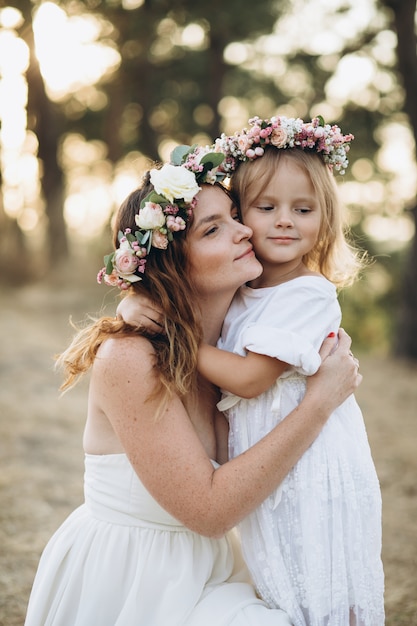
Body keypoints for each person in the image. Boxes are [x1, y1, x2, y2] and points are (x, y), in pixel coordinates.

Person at [24, 144, 362, 626]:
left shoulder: (236, 342)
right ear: (175, 263)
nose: (246, 229)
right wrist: (319, 404)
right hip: (139, 583)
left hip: (214, 569)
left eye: (235, 215)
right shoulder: (131, 358)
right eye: (214, 229)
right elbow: (208, 511)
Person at [195, 116, 385, 625]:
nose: (285, 221)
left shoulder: (307, 293)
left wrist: (174, 340)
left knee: (319, 575)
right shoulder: (244, 293)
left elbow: (250, 378)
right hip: (270, 461)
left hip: (312, 465)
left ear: (325, 219)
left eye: (303, 209)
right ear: (240, 215)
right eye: (266, 207)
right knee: (276, 572)